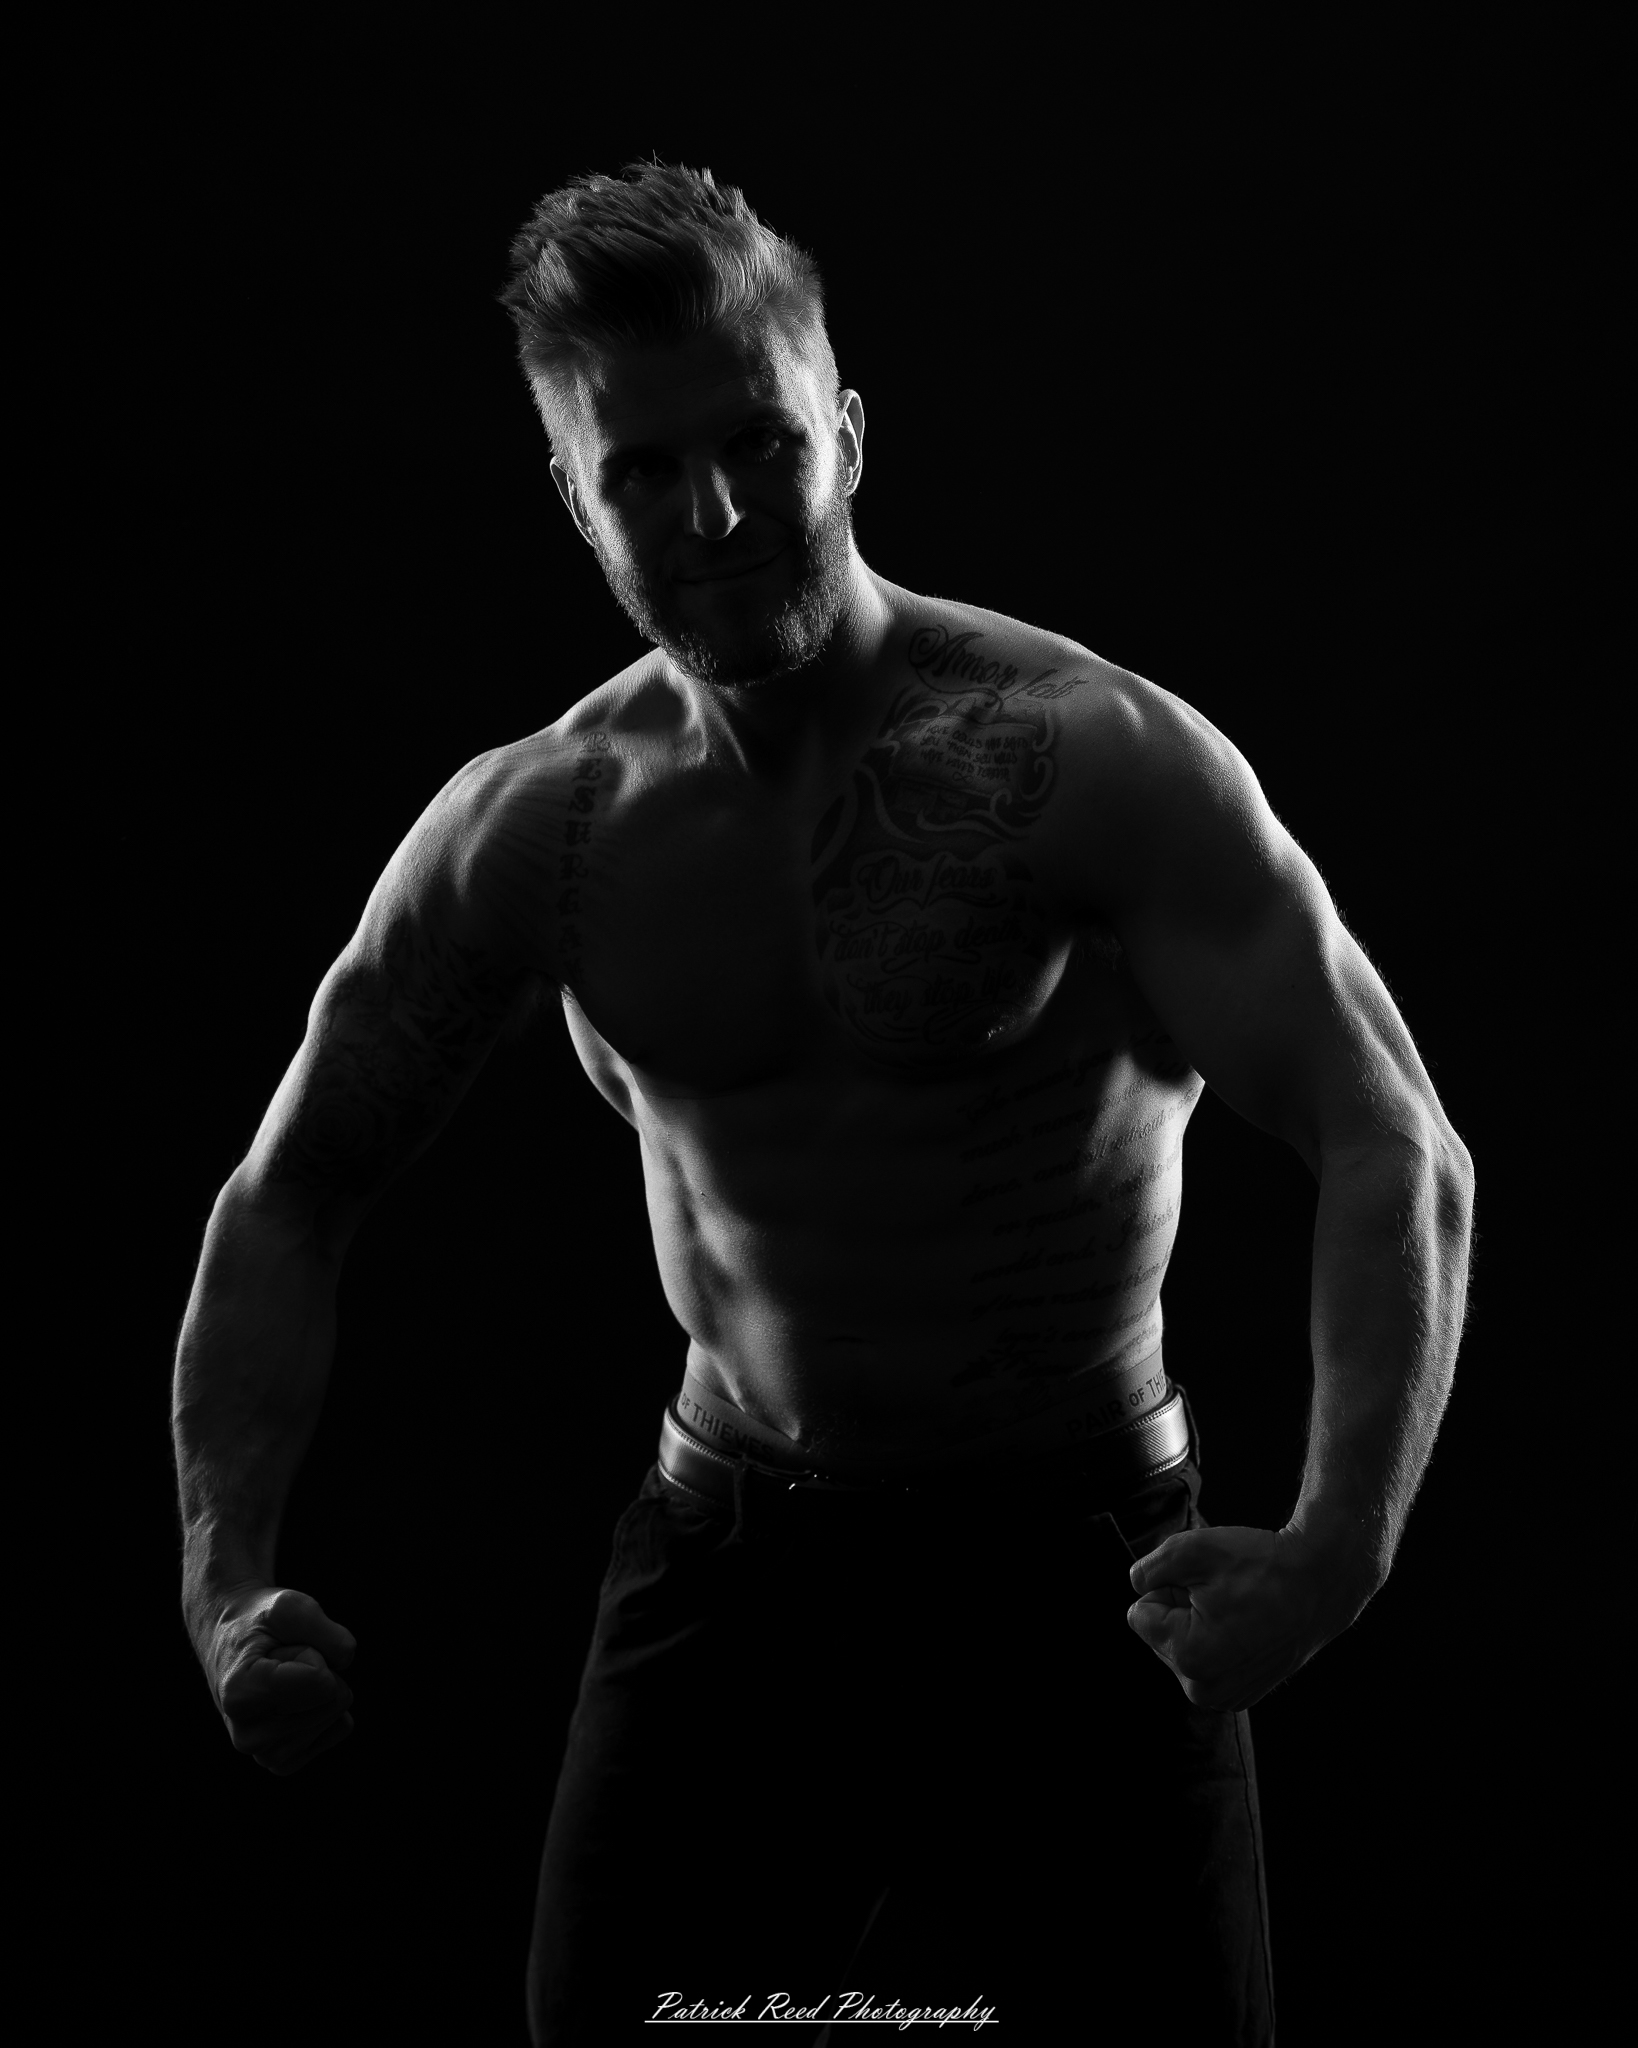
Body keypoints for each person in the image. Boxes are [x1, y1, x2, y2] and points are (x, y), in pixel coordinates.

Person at [171, 161, 1475, 2046]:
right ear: (572, 493)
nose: (711, 515)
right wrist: (227, 1591)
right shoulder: (541, 825)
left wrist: (1334, 1549)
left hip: (1075, 1566)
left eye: (757, 443)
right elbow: (285, 1201)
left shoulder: (1082, 756)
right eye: (640, 472)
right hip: (731, 1563)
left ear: (845, 430)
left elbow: (1392, 1142)